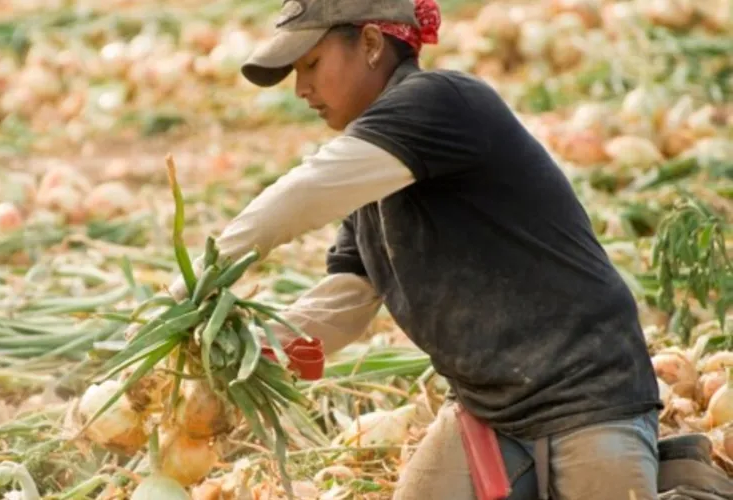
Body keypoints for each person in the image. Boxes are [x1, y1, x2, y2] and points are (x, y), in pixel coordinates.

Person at [165, 0, 665, 498]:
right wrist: (249, 353)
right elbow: (346, 301)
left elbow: (305, 193)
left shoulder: (441, 101)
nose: (302, 90)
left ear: (370, 44)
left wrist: (198, 279)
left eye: (312, 64)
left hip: (587, 395)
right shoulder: (373, 184)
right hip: (490, 410)